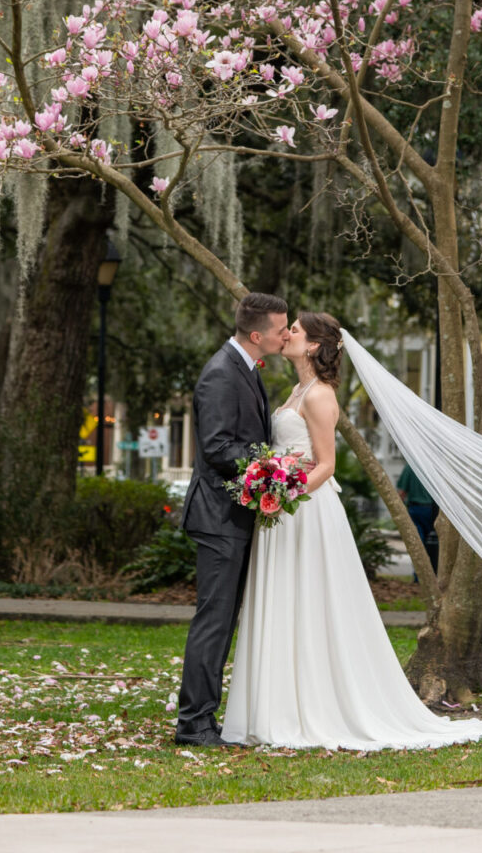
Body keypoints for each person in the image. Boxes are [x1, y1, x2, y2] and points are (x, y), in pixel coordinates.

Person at [221, 312, 482, 750]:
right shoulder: (296, 391)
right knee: (285, 601)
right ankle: (276, 705)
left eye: (295, 330)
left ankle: (309, 707)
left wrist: (283, 494)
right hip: (282, 510)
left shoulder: (318, 396)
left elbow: (326, 465)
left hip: (306, 512)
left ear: (315, 346)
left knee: (308, 603)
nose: (287, 334)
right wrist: (270, 484)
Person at [175, 292, 289, 746]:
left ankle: (205, 717)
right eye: (282, 329)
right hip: (219, 517)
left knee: (222, 622)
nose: (287, 334)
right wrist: (271, 464)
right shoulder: (221, 374)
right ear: (258, 334)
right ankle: (194, 724)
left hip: (233, 515)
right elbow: (218, 448)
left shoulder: (244, 368)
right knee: (214, 621)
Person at [397, 460, 439, 579]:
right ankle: (432, 574)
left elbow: (402, 492)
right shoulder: (432, 467)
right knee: (433, 544)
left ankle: (419, 576)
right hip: (432, 510)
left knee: (418, 543)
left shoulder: (410, 467)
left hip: (415, 509)